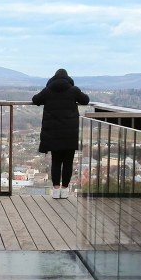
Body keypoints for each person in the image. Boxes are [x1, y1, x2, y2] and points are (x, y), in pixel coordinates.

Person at [32, 68, 89, 199]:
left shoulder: (48, 90)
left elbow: (35, 100)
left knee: (56, 161)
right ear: (68, 78)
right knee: (68, 162)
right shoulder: (73, 90)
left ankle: (56, 189)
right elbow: (85, 100)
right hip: (70, 133)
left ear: (53, 78)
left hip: (53, 133)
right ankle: (64, 189)